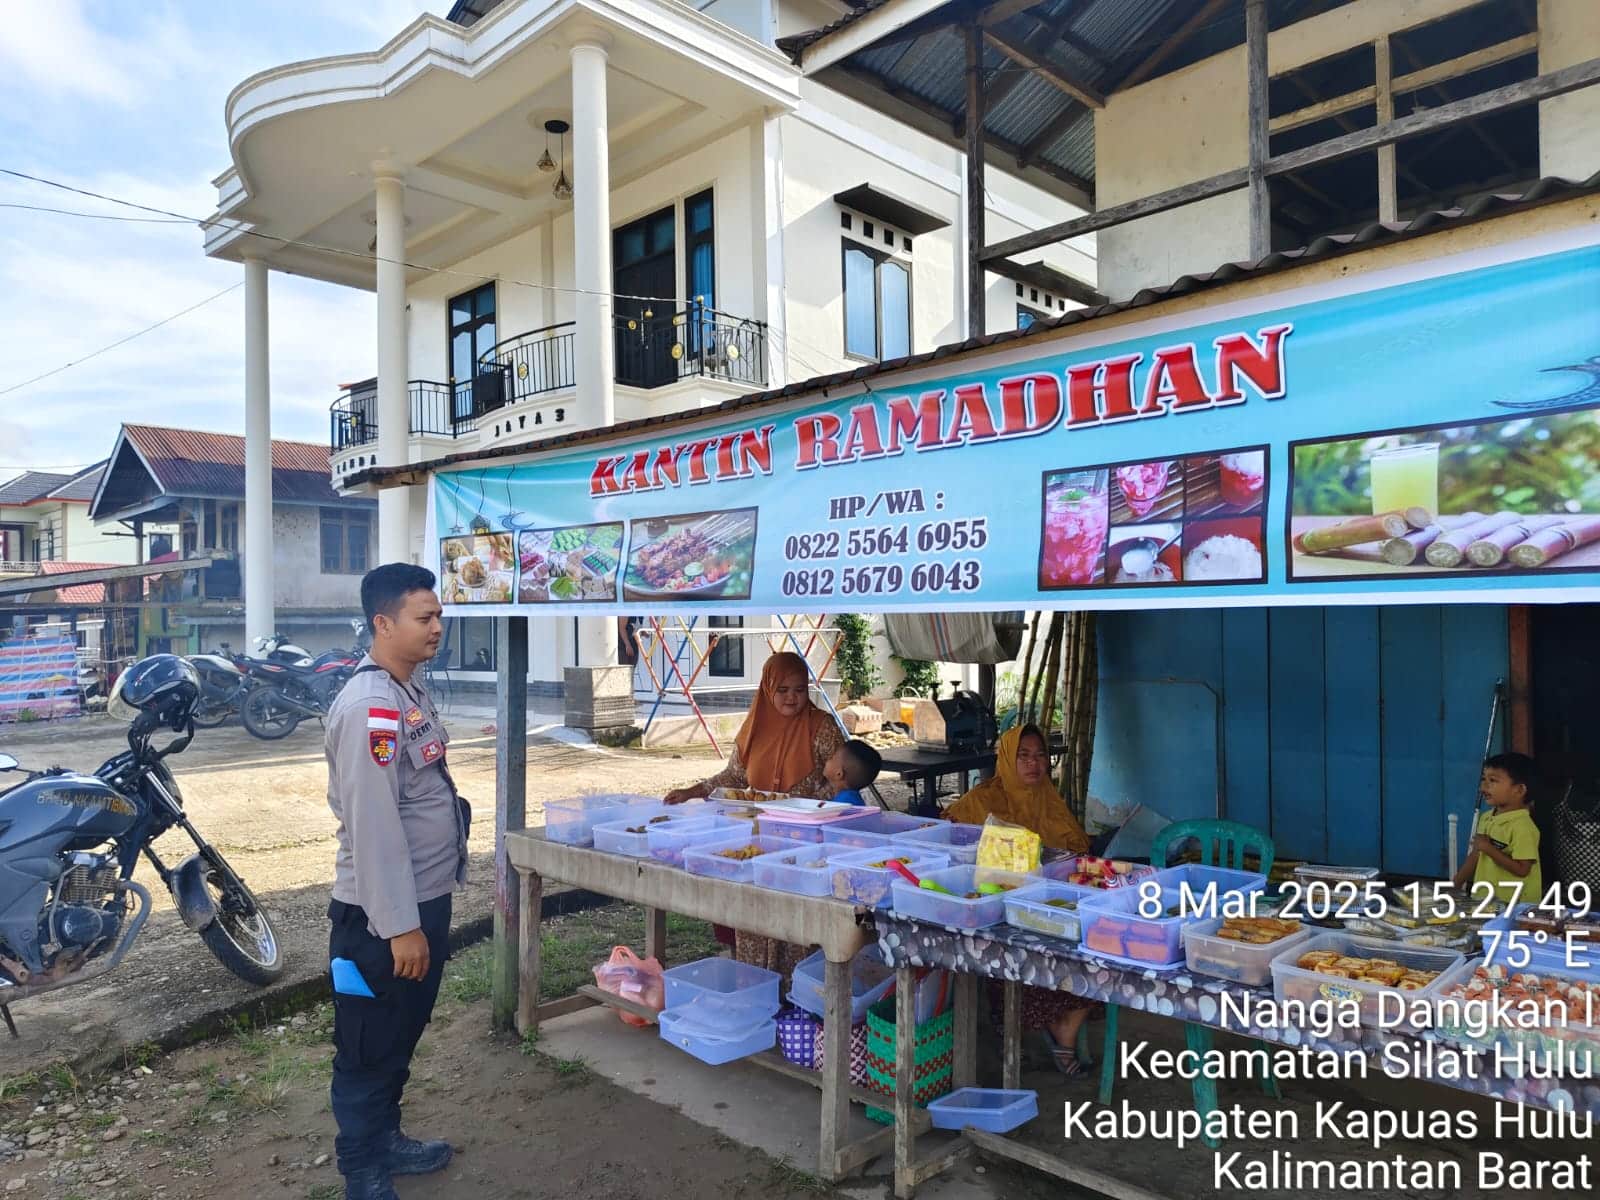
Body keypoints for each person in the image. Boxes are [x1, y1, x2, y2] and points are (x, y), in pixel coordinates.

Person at [325, 564, 470, 1200]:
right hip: (380, 919)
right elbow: (375, 826)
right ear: (383, 624)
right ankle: (362, 1166)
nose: (438, 627)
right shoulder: (371, 708)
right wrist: (401, 926)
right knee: (367, 1044)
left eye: (438, 615)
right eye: (424, 617)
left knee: (400, 1032)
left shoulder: (406, 691)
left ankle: (386, 1140)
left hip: (419, 903)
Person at [664, 651, 846, 976]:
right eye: (783, 690)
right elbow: (734, 777)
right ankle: (757, 995)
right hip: (752, 844)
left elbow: (841, 778)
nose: (792, 697)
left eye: (800, 689)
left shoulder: (823, 728)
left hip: (800, 846)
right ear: (767, 689)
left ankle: (795, 1007)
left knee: (795, 931)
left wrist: (802, 808)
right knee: (753, 920)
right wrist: (694, 791)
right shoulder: (754, 727)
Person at [947, 724, 1094, 1076]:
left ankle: (1064, 1031)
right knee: (1007, 956)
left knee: (1091, 957)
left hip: (1048, 906)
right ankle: (1013, 1036)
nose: (1034, 764)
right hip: (998, 907)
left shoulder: (1050, 800)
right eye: (1023, 756)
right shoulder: (982, 800)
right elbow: (951, 843)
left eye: (1040, 755)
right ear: (1007, 760)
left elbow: (1077, 852)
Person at [1453, 752, 1543, 905]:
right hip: (1485, 898)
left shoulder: (1523, 827)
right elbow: (1476, 855)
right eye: (1483, 779)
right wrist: (1454, 886)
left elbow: (1522, 870)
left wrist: (1489, 849)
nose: (1484, 786)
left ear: (1519, 790)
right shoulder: (1487, 817)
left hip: (1515, 904)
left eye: (1493, 780)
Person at [824, 739, 883, 806]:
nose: (827, 760)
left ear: (839, 774)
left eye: (832, 758)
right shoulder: (851, 799)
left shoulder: (841, 805)